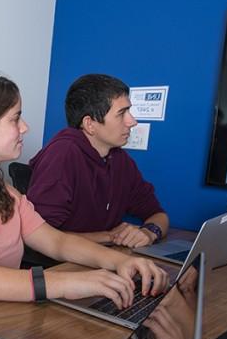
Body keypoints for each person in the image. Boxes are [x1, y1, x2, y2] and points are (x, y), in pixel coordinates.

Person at [0, 73, 169, 308]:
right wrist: (60, 283)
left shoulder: (4, 192)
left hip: (2, 316)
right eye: (15, 118)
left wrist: (119, 262)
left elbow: (56, 241)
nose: (25, 127)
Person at [27, 74, 170, 248]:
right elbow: (38, 236)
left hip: (102, 258)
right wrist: (109, 237)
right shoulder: (62, 155)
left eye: (129, 111)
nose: (132, 121)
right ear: (90, 124)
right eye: (121, 113)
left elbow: (158, 214)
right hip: (63, 266)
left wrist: (148, 233)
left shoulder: (120, 159)